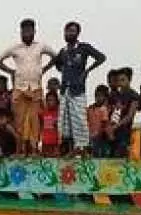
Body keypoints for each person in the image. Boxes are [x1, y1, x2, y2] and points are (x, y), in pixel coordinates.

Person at [0, 18, 57, 155]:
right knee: (18, 121)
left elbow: (56, 56)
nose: (27, 32)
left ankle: (34, 150)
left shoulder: (40, 46)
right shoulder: (15, 47)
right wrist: (11, 71)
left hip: (35, 87)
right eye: (24, 30)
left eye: (30, 30)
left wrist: (44, 69)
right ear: (21, 32)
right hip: (20, 88)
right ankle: (19, 150)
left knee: (35, 120)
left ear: (34, 31)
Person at [44, 21, 106, 154]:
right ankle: (70, 148)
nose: (69, 33)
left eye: (72, 31)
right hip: (65, 90)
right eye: (67, 31)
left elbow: (101, 58)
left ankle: (82, 147)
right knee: (65, 121)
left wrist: (87, 71)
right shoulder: (63, 51)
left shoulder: (84, 47)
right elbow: (56, 63)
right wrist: (42, 70)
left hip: (77, 90)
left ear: (77, 33)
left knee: (79, 119)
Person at [108, 67, 140, 158]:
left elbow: (129, 116)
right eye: (118, 80)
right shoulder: (114, 94)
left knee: (121, 159)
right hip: (111, 133)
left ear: (129, 80)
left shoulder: (134, 95)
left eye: (123, 80)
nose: (120, 83)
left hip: (124, 134)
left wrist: (115, 127)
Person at [87, 85, 110, 158]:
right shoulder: (90, 108)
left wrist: (99, 133)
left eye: (101, 96)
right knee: (92, 155)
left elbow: (104, 123)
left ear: (105, 98)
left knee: (100, 155)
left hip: (100, 137)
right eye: (96, 95)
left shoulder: (104, 109)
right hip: (91, 136)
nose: (98, 98)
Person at [40, 91, 60, 156]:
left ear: (56, 101)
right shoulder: (43, 112)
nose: (49, 102)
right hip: (45, 144)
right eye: (48, 100)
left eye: (51, 100)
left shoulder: (59, 113)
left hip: (56, 144)